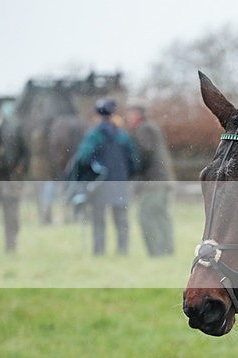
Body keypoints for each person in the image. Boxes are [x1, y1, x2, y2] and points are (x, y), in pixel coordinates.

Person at [71, 99, 139, 255]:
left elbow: (82, 158)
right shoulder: (122, 136)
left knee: (98, 221)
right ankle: (123, 251)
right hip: (120, 183)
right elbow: (133, 161)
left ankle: (99, 252)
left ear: (97, 115)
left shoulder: (93, 135)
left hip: (99, 184)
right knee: (121, 221)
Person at [126, 105, 175, 256]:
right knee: (161, 215)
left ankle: (157, 252)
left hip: (153, 181)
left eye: (129, 114)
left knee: (146, 215)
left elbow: (143, 153)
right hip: (163, 179)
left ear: (137, 115)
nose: (127, 118)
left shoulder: (143, 129)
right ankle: (167, 251)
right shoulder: (151, 127)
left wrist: (131, 168)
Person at [0, 96, 29, 252]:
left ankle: (11, 247)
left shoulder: (13, 127)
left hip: (9, 179)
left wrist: (21, 167)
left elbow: (25, 152)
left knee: (11, 217)